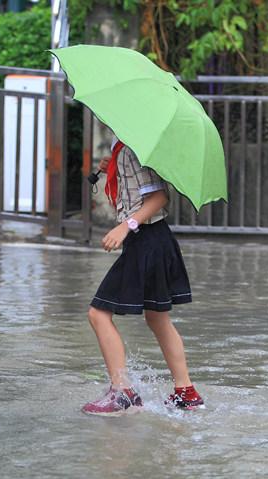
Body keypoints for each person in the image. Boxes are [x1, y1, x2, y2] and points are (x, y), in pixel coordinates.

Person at [82, 139, 204, 416]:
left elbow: (159, 197)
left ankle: (121, 392)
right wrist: (113, 168)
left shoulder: (134, 148)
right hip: (156, 239)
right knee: (157, 317)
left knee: (98, 314)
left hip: (145, 240)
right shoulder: (128, 148)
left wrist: (126, 227)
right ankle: (186, 392)